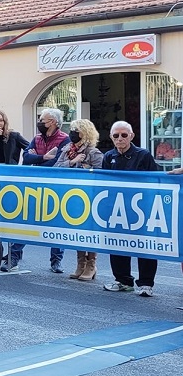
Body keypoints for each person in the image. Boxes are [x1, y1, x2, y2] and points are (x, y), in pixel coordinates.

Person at [6, 107, 70, 273]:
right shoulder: (37, 138)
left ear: (53, 122)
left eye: (43, 120)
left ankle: (56, 261)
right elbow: (26, 158)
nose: (40, 123)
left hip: (56, 186)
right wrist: (43, 157)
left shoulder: (65, 139)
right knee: (25, 220)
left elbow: (57, 162)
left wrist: (38, 160)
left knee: (56, 222)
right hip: (33, 186)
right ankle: (14, 257)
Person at [102, 121, 159, 296]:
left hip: (141, 208)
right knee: (117, 243)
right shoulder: (108, 156)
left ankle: (146, 284)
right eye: (116, 135)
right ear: (111, 137)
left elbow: (155, 180)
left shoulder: (144, 155)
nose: (120, 139)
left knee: (145, 245)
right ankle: (123, 280)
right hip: (117, 209)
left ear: (132, 136)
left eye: (124, 135)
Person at [55, 119, 104, 281]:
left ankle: (91, 264)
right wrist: (72, 162)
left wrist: (86, 168)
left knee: (89, 230)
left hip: (89, 196)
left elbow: (100, 173)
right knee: (77, 230)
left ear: (85, 133)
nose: (72, 133)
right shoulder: (67, 149)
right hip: (71, 195)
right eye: (72, 130)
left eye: (77, 130)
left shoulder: (93, 152)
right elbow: (56, 168)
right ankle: (80, 263)